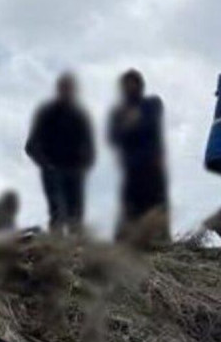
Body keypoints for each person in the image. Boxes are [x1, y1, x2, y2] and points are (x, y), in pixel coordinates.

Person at [25, 73, 95, 234]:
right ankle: (55, 245)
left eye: (70, 88)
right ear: (58, 89)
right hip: (53, 171)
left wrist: (83, 165)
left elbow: (89, 145)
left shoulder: (80, 116)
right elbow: (31, 145)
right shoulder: (47, 113)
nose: (67, 92)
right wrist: (46, 165)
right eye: (64, 88)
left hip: (75, 172)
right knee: (57, 212)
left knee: (75, 215)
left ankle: (77, 247)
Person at [108, 69, 169, 243]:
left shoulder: (152, 103)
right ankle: (125, 244)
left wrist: (133, 124)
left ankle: (161, 242)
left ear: (140, 85)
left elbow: (151, 124)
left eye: (132, 83)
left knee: (156, 208)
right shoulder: (119, 112)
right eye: (126, 85)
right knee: (130, 210)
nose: (129, 88)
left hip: (152, 166)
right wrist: (130, 124)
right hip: (131, 168)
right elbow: (114, 137)